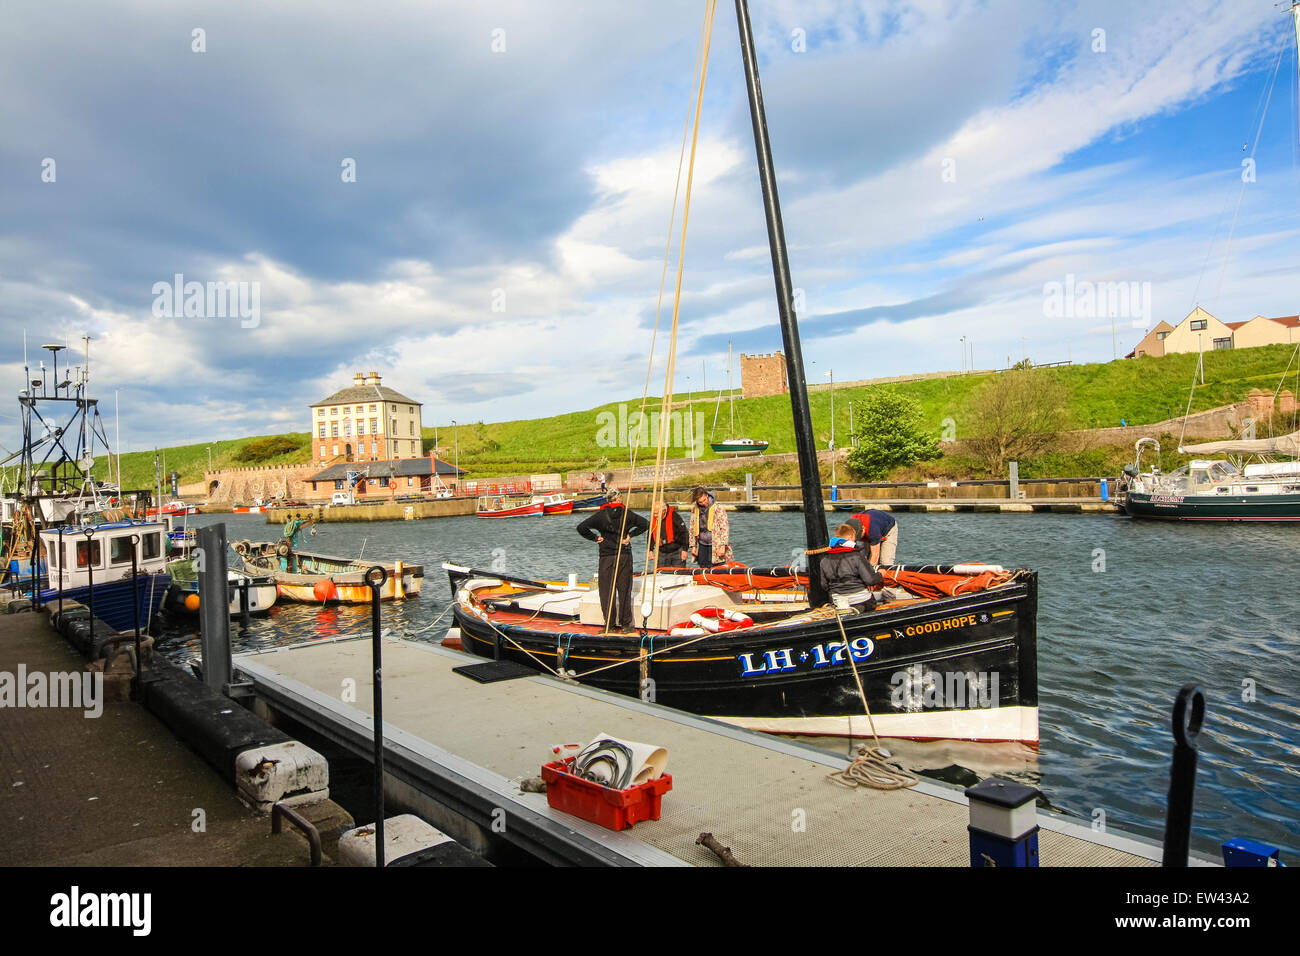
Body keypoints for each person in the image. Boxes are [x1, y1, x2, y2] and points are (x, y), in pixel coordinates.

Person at [576, 488, 648, 633]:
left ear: (608, 500)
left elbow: (581, 527)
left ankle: (609, 625)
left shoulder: (601, 515)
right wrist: (630, 535)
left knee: (606, 592)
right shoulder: (627, 514)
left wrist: (595, 538)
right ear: (619, 499)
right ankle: (626, 624)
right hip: (624, 555)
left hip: (606, 556)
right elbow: (645, 524)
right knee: (624, 589)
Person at [818, 523, 883, 612]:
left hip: (838, 602)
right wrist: (880, 574)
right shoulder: (857, 556)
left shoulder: (824, 560)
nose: (855, 540)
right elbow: (870, 580)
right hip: (862, 600)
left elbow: (824, 585)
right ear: (850, 537)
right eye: (854, 538)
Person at [687, 485, 733, 567]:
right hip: (702, 544)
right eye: (700, 502)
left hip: (716, 543)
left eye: (704, 500)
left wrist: (723, 545)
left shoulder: (718, 508)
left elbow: (724, 528)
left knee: (719, 567)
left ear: (707, 495)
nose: (703, 503)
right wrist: (693, 546)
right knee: (703, 567)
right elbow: (692, 528)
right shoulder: (695, 509)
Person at [648, 500, 688, 570]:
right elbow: (650, 534)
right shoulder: (654, 519)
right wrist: (650, 550)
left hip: (676, 551)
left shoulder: (675, 517)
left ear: (663, 511)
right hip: (661, 553)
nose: (655, 515)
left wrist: (685, 550)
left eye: (657, 513)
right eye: (654, 513)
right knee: (661, 575)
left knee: (679, 574)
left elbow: (684, 532)